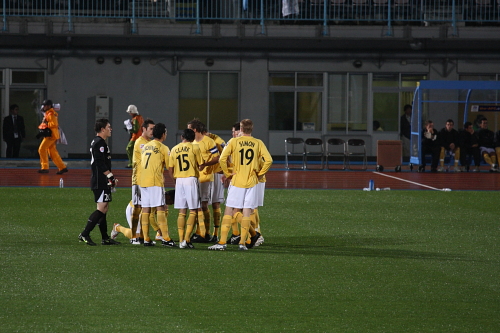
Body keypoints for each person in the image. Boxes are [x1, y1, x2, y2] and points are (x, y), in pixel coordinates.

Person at [209, 119, 273, 251]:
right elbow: (269, 160)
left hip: (237, 180)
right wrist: (260, 174)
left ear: (241, 129)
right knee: (247, 211)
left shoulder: (234, 141)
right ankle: (243, 243)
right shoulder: (258, 143)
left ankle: (222, 242)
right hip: (252, 181)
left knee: (230, 209)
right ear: (252, 129)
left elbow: (222, 159)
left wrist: (227, 173)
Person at [78, 118, 120, 246]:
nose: (110, 129)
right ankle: (84, 233)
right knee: (102, 208)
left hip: (100, 180)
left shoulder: (98, 142)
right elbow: (99, 163)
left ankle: (105, 238)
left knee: (104, 208)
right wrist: (110, 176)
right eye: (108, 127)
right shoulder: (100, 143)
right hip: (100, 180)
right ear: (102, 129)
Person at [139, 123, 175, 247]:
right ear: (163, 134)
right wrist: (175, 180)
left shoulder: (145, 146)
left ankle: (146, 239)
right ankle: (165, 238)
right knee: (160, 207)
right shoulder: (163, 148)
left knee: (146, 209)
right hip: (154, 180)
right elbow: (169, 167)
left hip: (143, 180)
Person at [168, 128, 204, 249]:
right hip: (190, 179)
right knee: (193, 210)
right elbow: (201, 164)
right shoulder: (195, 147)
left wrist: (175, 181)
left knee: (182, 211)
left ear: (182, 137)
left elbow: (170, 169)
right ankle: (187, 240)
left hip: (179, 181)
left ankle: (180, 239)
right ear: (193, 138)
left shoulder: (174, 149)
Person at [187, 118, 220, 243]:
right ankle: (200, 231)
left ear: (195, 129)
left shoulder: (209, 141)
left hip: (206, 177)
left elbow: (217, 158)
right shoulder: (191, 142)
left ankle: (206, 232)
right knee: (195, 205)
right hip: (193, 177)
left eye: (189, 128)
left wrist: (205, 164)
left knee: (204, 205)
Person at [129, 119, 155, 243]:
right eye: (150, 129)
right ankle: (134, 236)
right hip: (139, 180)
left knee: (146, 208)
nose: (152, 131)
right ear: (143, 129)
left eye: (153, 129)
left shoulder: (149, 142)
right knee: (138, 208)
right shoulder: (140, 143)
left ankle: (143, 236)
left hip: (146, 180)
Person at [37, 99, 68, 174]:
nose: (43, 107)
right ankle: (62, 167)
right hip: (52, 135)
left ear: (48, 106)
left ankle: (45, 167)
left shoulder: (50, 114)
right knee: (52, 152)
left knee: (41, 149)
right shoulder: (49, 113)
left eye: (45, 105)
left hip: (51, 136)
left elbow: (54, 124)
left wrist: (46, 123)